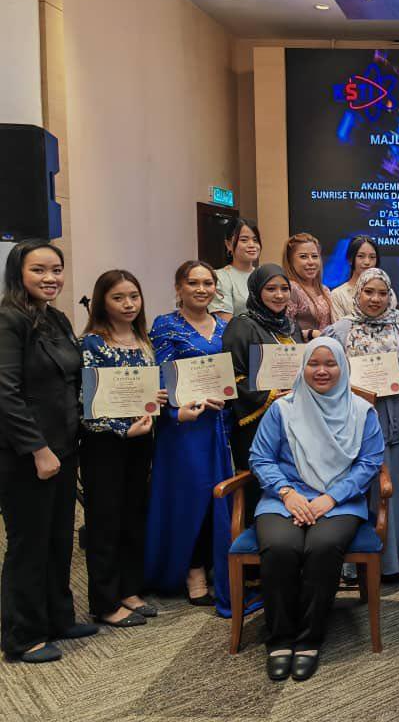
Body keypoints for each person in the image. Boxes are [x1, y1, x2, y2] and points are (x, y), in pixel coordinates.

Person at [249, 337, 385, 681]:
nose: (321, 371)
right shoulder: (282, 409)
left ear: (343, 368)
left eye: (330, 363)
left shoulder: (362, 412)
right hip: (285, 498)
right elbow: (261, 458)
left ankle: (309, 639)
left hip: (339, 502)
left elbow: (369, 464)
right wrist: (286, 492)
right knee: (280, 546)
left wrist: (332, 497)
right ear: (303, 367)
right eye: (313, 363)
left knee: (323, 546)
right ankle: (280, 638)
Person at [0, 240, 97, 663]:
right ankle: (22, 635)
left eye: (56, 269)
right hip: (26, 454)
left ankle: (59, 617)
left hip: (64, 447)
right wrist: (37, 449)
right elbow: (5, 393)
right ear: (18, 273)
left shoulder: (55, 317)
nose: (50, 278)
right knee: (29, 544)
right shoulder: (8, 320)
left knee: (58, 539)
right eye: (38, 270)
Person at [145, 261, 233, 614]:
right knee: (189, 498)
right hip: (184, 427)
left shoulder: (224, 327)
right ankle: (192, 570)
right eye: (193, 283)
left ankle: (213, 564)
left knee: (217, 497)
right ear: (179, 287)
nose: (201, 289)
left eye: (207, 283)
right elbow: (159, 377)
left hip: (219, 424)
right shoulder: (165, 325)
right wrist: (174, 412)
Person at [80, 270, 164, 629]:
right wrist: (122, 429)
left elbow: (146, 390)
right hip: (105, 444)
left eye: (134, 296)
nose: (128, 304)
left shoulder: (144, 340)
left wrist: (157, 400)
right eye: (118, 298)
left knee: (133, 515)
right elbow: (86, 402)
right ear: (102, 301)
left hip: (141, 440)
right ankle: (105, 601)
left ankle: (129, 590)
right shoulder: (92, 343)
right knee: (105, 520)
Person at [324, 268, 399, 578]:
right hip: (350, 426)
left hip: (394, 423)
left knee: (391, 491)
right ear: (358, 294)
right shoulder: (339, 330)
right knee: (355, 490)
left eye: (382, 293)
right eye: (368, 292)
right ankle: (353, 568)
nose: (375, 299)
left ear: (390, 295)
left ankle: (391, 565)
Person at [222, 265, 305, 522]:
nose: (279, 295)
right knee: (259, 489)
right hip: (256, 425)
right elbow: (232, 379)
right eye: (271, 289)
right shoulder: (241, 325)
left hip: (293, 421)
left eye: (284, 289)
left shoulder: (290, 327)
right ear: (257, 291)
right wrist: (271, 395)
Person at [330, 236, 395, 319]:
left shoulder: (389, 294)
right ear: (350, 259)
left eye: (372, 257)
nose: (367, 262)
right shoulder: (338, 295)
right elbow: (339, 326)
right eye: (361, 256)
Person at [210, 218, 262, 322]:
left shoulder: (264, 274)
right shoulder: (220, 277)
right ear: (228, 244)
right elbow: (225, 324)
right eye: (244, 240)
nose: (252, 245)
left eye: (255, 240)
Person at [283, 232, 334, 333]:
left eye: (314, 256)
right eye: (303, 257)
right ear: (290, 260)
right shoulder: (291, 288)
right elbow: (286, 331)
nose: (311, 262)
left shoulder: (325, 289)